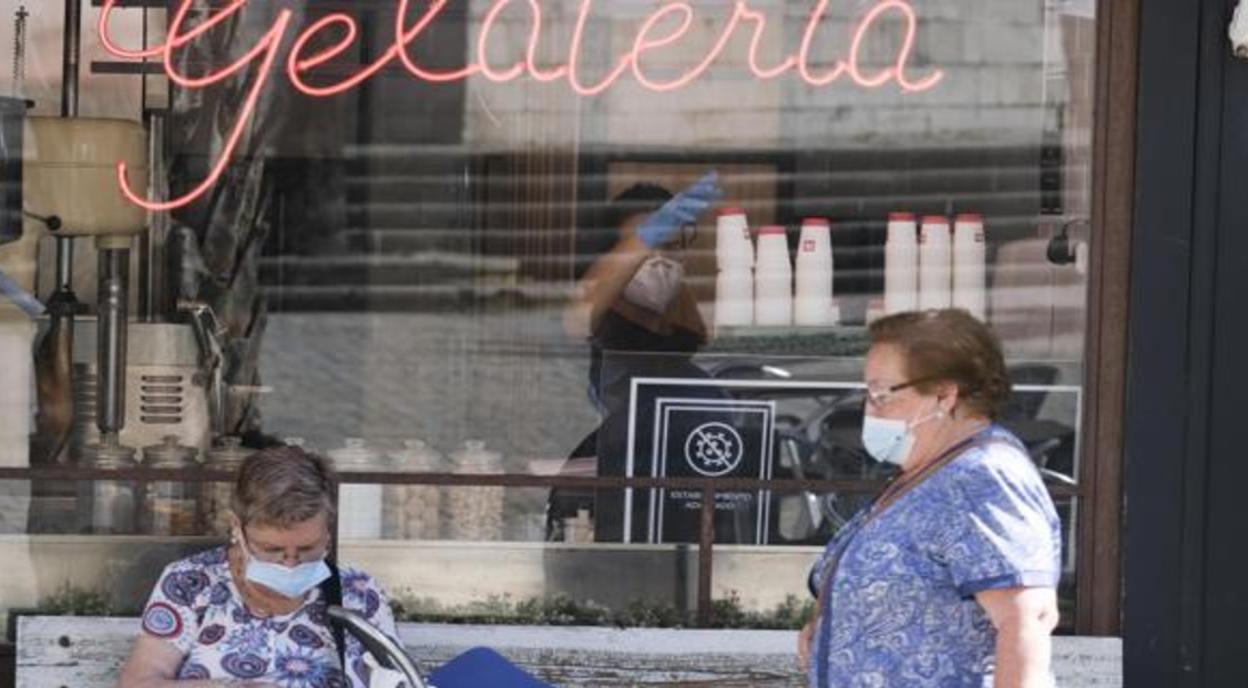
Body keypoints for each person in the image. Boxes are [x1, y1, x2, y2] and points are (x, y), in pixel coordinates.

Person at [797, 309, 1062, 688]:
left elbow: (1027, 619)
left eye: (880, 394)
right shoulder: (928, 472)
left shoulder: (982, 477)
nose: (868, 409)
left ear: (943, 395)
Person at [119, 445, 402, 687]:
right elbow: (139, 683)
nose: (291, 563)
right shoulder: (191, 584)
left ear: (327, 530)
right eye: (272, 550)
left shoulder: (358, 594)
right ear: (237, 529)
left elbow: (397, 680)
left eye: (307, 549)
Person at [555, 173, 724, 542]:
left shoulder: (681, 311)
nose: (660, 262)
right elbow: (576, 319)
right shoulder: (598, 307)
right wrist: (639, 242)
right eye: (644, 250)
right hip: (615, 480)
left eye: (672, 247)